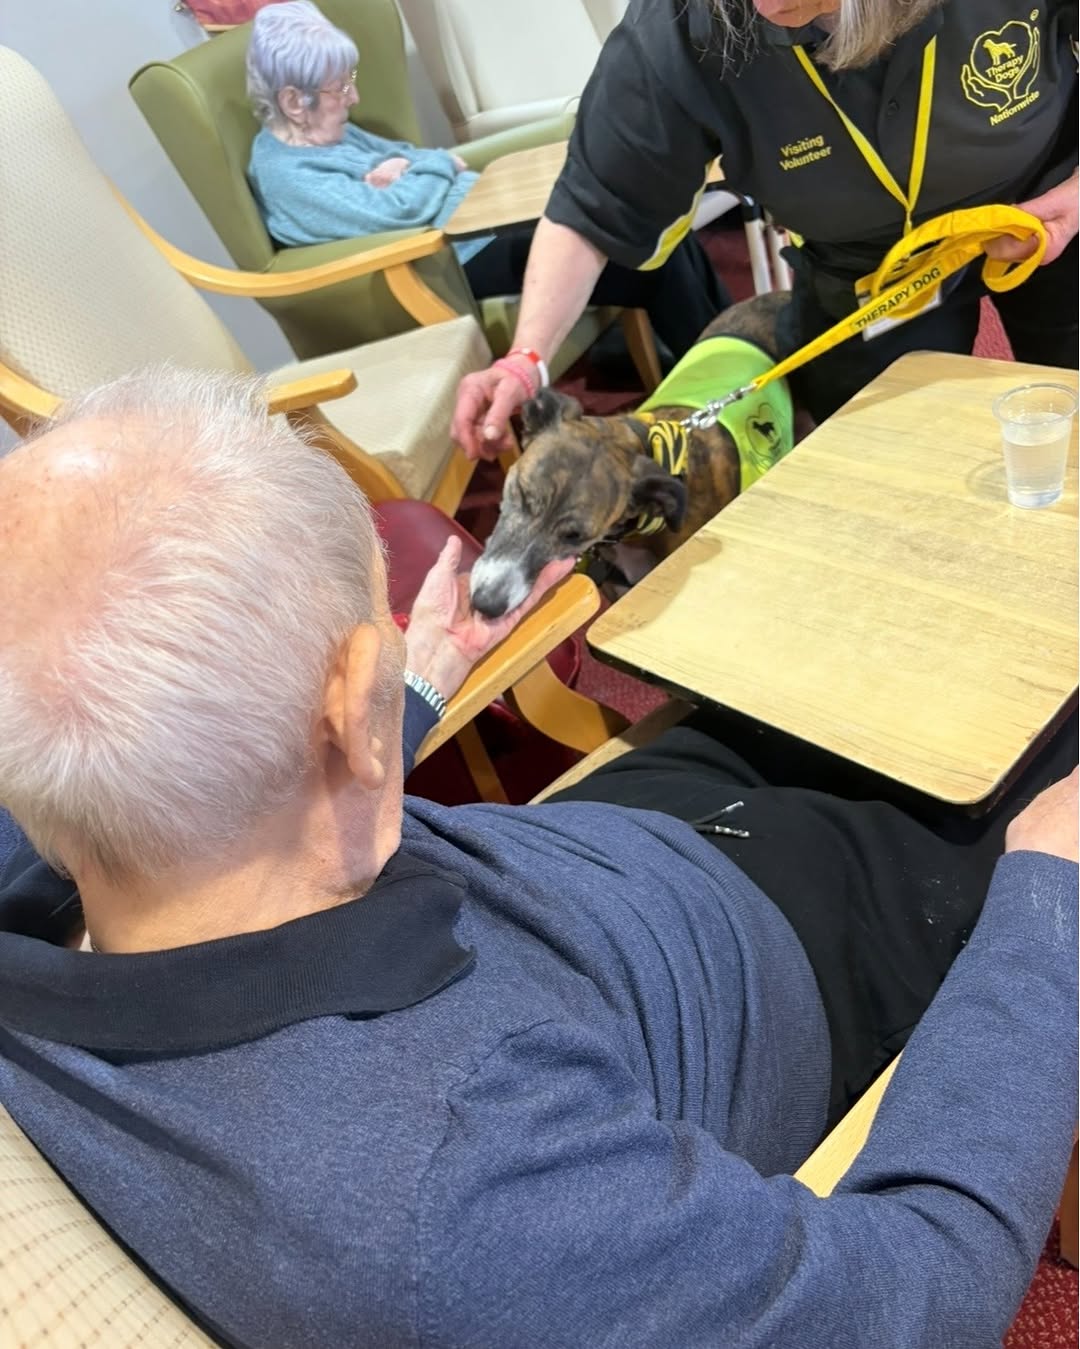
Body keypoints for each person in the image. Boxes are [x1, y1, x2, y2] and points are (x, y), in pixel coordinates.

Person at [0, 368, 1076, 1349]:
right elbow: (922, 1291)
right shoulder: (462, 1206)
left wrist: (409, 691)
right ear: (348, 713)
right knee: (1044, 728)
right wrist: (1046, 894)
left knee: (830, 657)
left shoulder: (82, 852)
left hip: (598, 852)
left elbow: (193, 791)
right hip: (787, 959)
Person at [452, 0, 1079, 455]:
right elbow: (595, 202)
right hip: (864, 269)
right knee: (887, 463)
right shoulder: (678, 26)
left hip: (1048, 199)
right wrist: (525, 359)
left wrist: (1075, 197)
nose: (766, 6)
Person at [245, 1, 731, 365]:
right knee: (647, 259)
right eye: (339, 87)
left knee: (658, 226)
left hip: (481, 225)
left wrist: (411, 169)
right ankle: (717, 380)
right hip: (455, 259)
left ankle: (737, 347)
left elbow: (415, 161)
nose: (353, 97)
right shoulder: (288, 176)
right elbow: (404, 209)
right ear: (292, 101)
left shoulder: (329, 132)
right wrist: (432, 170)